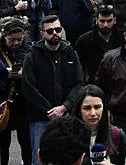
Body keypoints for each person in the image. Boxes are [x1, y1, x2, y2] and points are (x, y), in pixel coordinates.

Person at [21, 15, 84, 165]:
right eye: (50, 31)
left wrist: (64, 107)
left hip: (67, 115)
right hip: (39, 118)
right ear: (42, 34)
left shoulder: (71, 53)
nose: (55, 33)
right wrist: (51, 110)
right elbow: (29, 88)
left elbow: (80, 82)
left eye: (58, 29)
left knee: (67, 156)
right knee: (39, 157)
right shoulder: (32, 56)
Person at [71, 84, 126, 165]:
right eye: (87, 108)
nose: (93, 113)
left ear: (104, 109)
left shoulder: (117, 135)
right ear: (79, 111)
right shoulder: (69, 137)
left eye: (97, 107)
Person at [0, 18, 31, 165]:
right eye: (12, 40)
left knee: (27, 145)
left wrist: (23, 75)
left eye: (20, 39)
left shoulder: (29, 50)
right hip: (3, 103)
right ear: (4, 36)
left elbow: (38, 74)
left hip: (23, 104)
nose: (16, 43)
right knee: (2, 148)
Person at [75, 5, 123, 82]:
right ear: (96, 21)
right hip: (94, 84)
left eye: (109, 21)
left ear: (114, 20)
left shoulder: (122, 38)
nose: (106, 25)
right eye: (102, 21)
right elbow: (79, 67)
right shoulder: (84, 41)